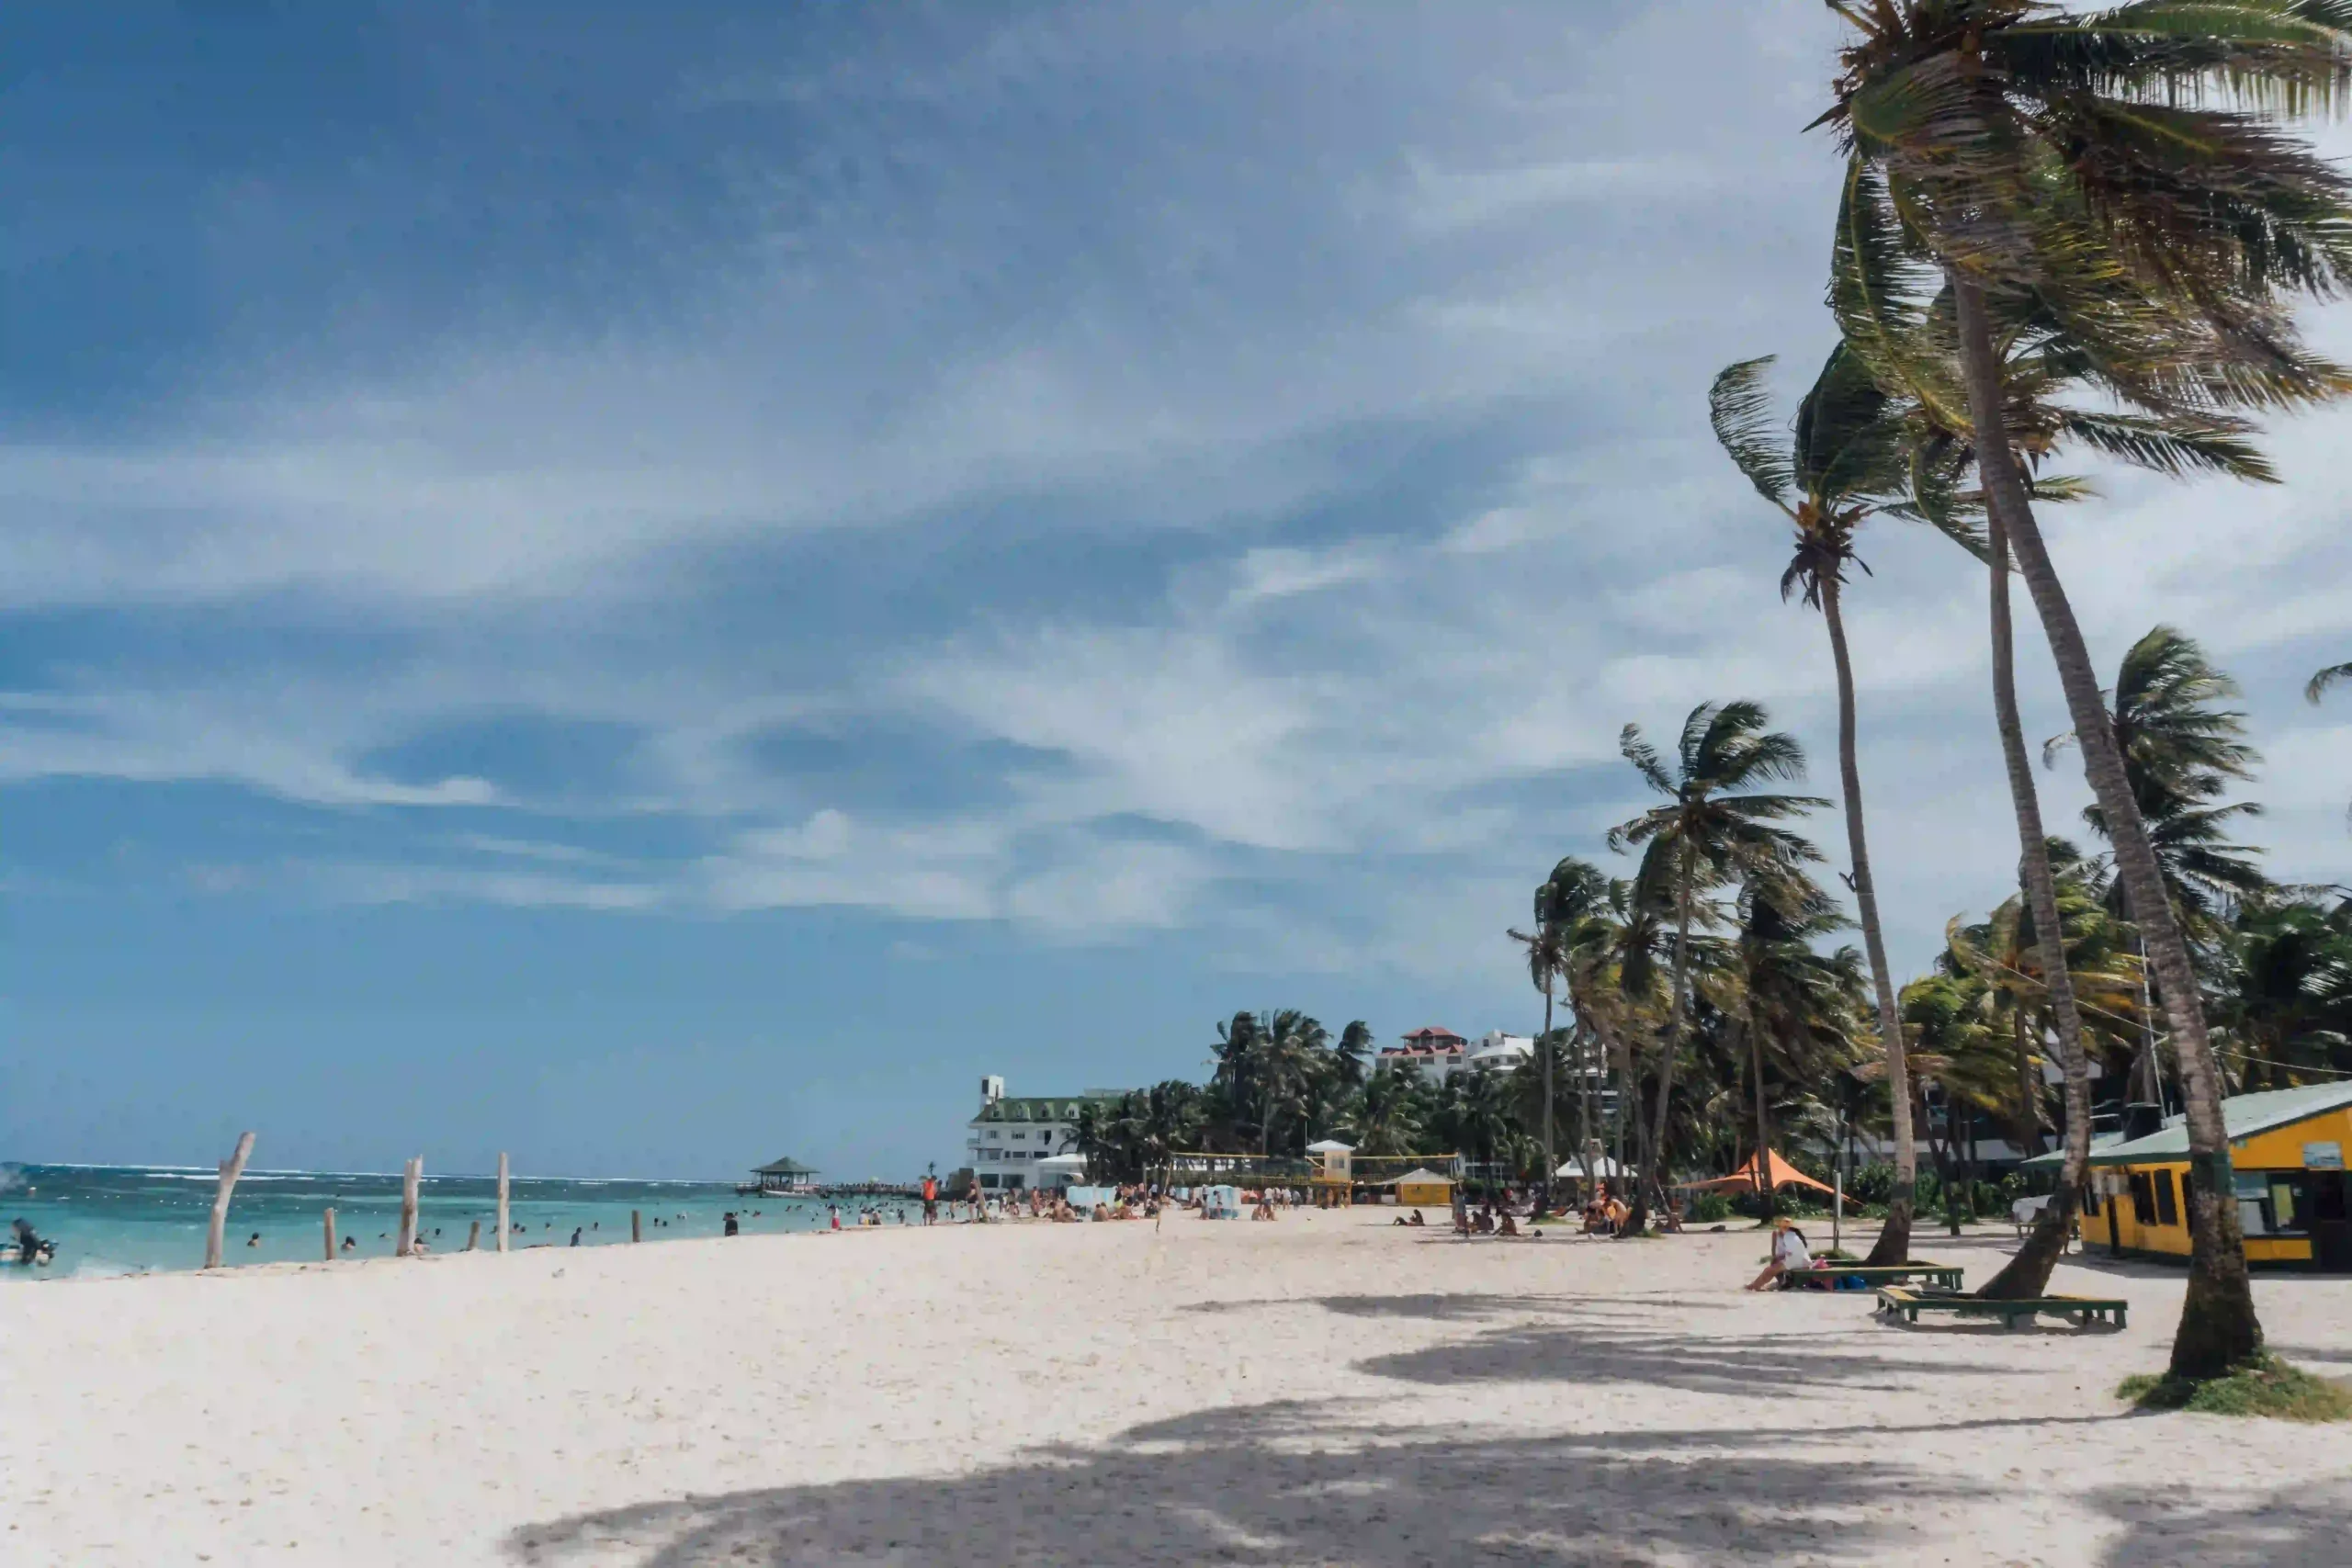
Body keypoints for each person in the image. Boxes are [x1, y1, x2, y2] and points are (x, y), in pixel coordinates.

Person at [1746, 1215, 1814, 1291]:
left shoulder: (1791, 1236)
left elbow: (1792, 1253)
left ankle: (1755, 1286)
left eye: (1786, 1226)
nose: (1785, 1228)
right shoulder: (1786, 1235)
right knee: (1769, 1269)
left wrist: (1779, 1258)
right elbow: (1777, 1250)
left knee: (1769, 1271)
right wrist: (1776, 1258)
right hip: (1795, 1260)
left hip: (1797, 1261)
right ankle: (1755, 1285)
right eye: (1784, 1226)